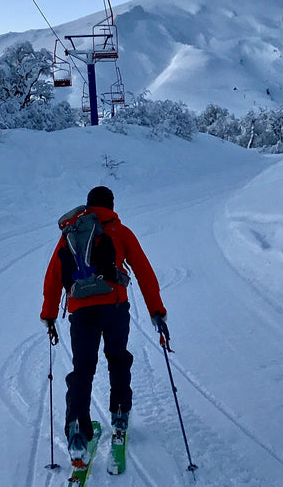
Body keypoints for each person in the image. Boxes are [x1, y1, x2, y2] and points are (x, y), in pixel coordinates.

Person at [40, 185, 169, 465]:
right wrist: (157, 312)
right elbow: (144, 273)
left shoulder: (71, 234)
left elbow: (53, 276)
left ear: (88, 205)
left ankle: (76, 428)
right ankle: (120, 413)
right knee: (118, 358)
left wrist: (49, 315)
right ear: (111, 205)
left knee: (83, 369)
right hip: (114, 308)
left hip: (81, 312)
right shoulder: (120, 232)